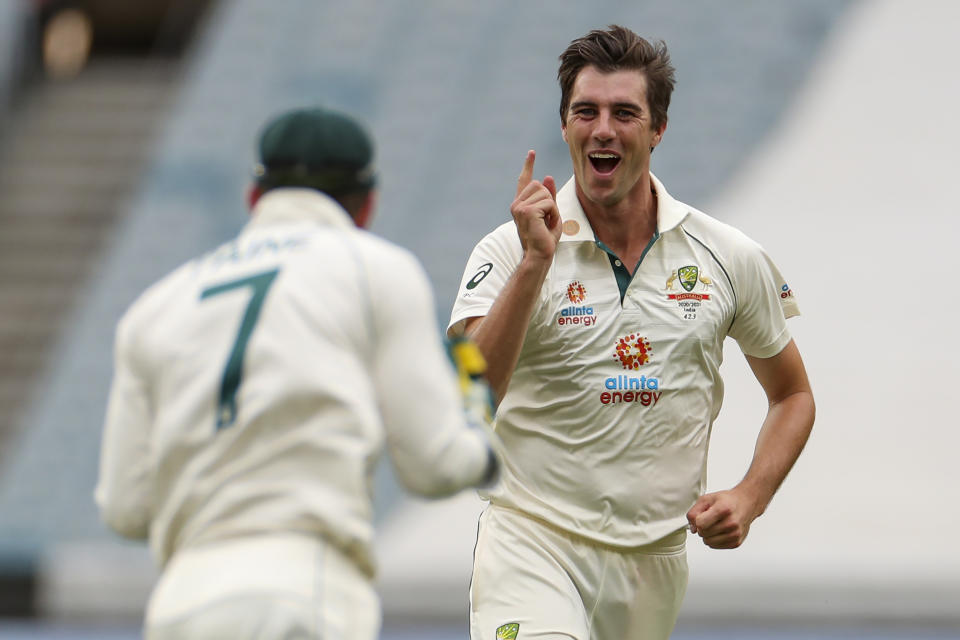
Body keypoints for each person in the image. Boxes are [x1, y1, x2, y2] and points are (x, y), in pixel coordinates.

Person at [449, 25, 815, 640]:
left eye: (625, 112)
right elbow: (468, 397)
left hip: (654, 563)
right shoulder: (507, 250)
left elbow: (793, 395)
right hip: (533, 543)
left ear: (658, 129)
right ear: (564, 126)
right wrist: (536, 265)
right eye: (585, 111)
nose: (603, 129)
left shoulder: (728, 255)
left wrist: (750, 497)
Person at [95, 106, 499, 640]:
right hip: (306, 591)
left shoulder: (154, 308)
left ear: (253, 199)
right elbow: (435, 467)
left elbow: (125, 509)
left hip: (179, 605)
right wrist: (481, 426)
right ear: (367, 205)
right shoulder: (375, 268)